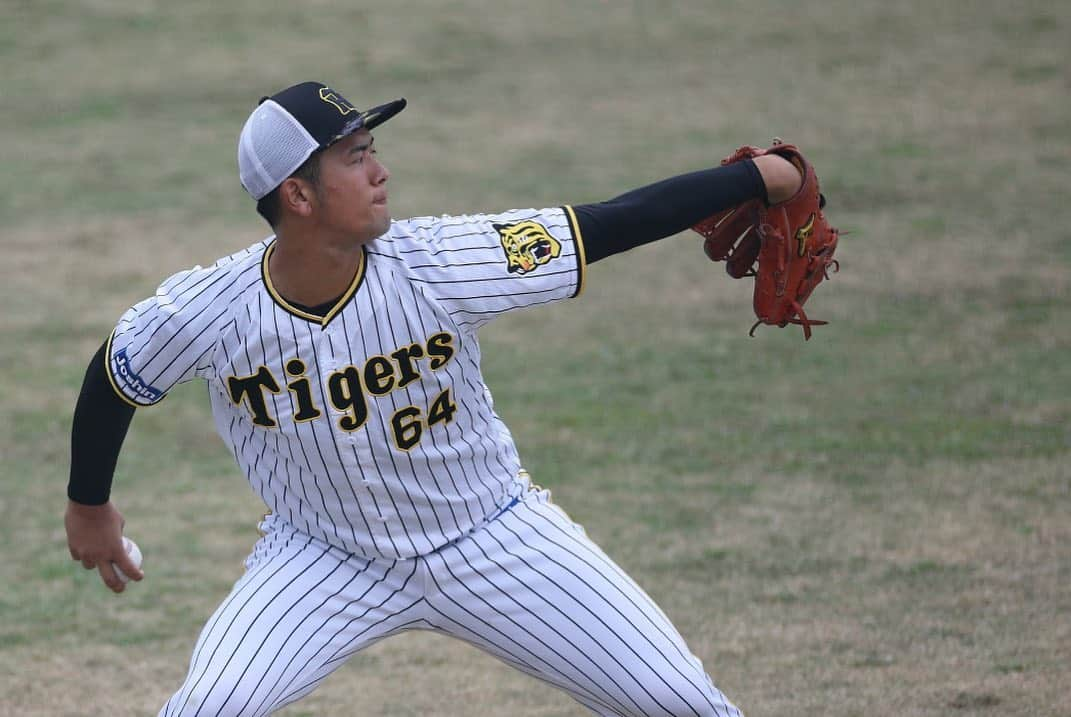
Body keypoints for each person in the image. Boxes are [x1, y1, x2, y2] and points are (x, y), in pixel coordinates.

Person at [66, 81, 803, 716]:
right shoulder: (208, 310)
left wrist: (755, 180)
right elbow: (115, 374)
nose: (380, 171)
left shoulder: (442, 260)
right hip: (322, 558)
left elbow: (607, 222)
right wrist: (88, 506)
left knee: (685, 705)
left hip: (495, 535)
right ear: (297, 193)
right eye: (355, 157)